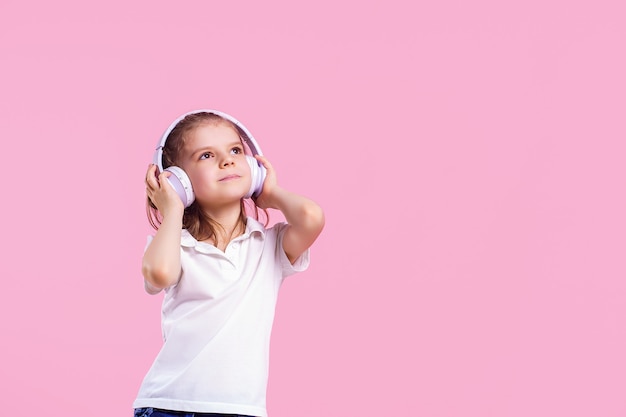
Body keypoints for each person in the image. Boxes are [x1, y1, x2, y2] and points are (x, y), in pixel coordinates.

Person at [133, 110, 325, 417]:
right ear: (179, 181)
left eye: (235, 150)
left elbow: (312, 218)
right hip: (169, 405)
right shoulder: (176, 244)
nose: (227, 161)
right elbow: (159, 273)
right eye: (207, 155)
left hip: (240, 409)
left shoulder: (269, 246)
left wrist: (271, 193)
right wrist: (172, 210)